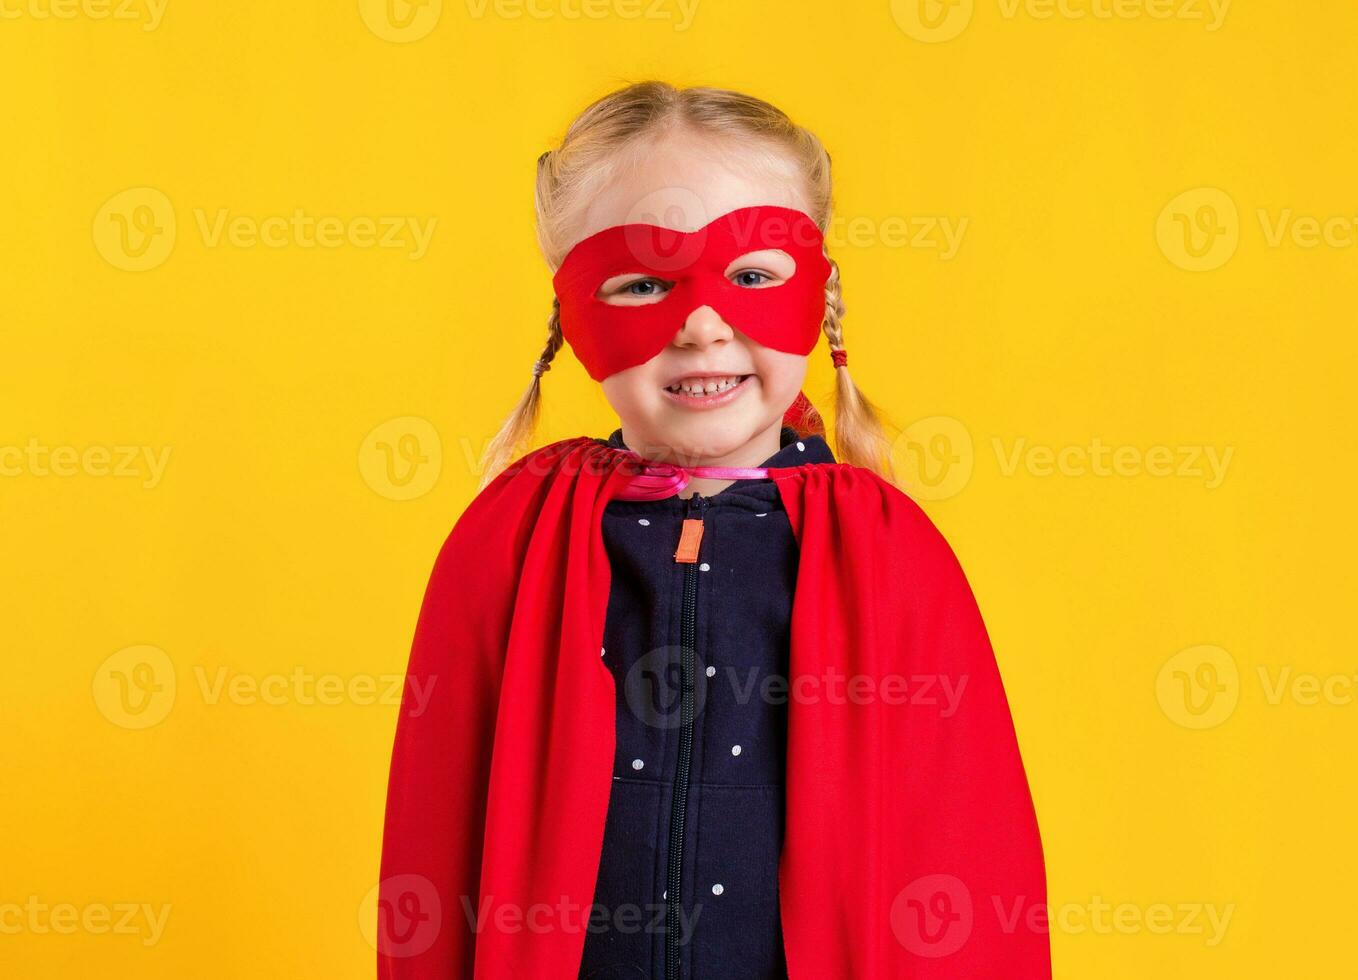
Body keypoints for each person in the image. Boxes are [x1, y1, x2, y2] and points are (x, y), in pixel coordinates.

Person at [378, 81, 1050, 980]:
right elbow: (441, 839)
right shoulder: (509, 540)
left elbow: (961, 852)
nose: (701, 325)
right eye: (643, 283)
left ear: (819, 298)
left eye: (753, 275)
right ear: (570, 317)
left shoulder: (888, 554)